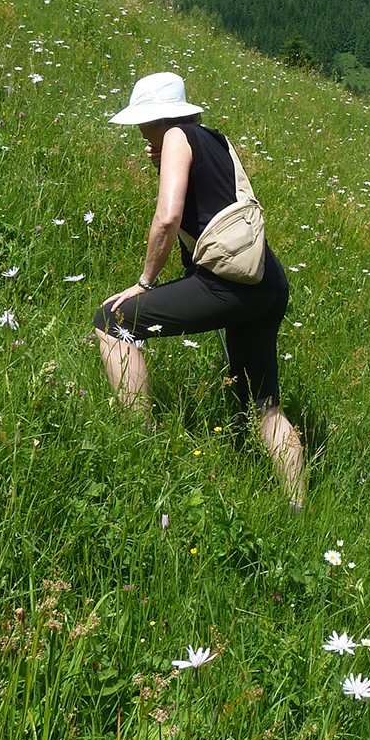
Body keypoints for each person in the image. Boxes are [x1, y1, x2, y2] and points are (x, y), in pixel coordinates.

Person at [94, 71, 308, 507]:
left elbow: (168, 217)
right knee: (263, 406)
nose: (142, 137)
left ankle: (137, 449)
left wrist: (144, 284)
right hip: (266, 284)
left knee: (111, 322)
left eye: (144, 125)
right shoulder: (217, 141)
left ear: (161, 118)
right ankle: (298, 509)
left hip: (227, 287)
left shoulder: (176, 136)